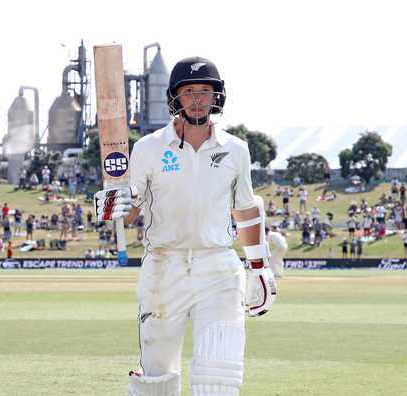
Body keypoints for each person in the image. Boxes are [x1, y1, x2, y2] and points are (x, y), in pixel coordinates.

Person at [95, 56, 277, 396]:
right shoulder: (148, 149)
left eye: (205, 91)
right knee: (157, 380)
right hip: (164, 269)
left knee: (218, 378)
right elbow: (130, 210)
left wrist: (259, 267)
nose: (197, 99)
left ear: (216, 97)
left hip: (218, 268)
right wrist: (113, 205)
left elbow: (246, 209)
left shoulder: (236, 150)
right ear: (175, 98)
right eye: (189, 91)